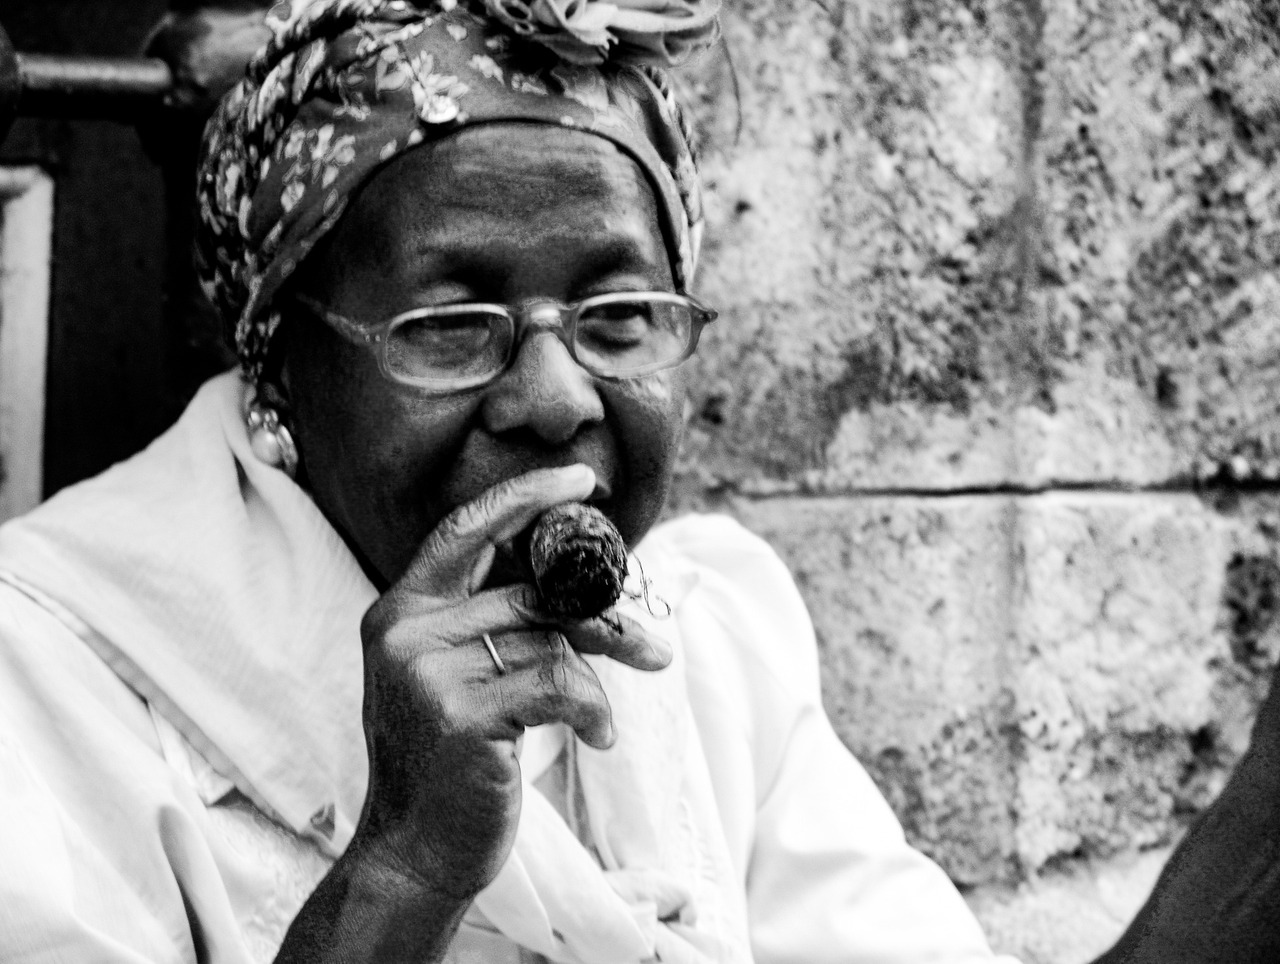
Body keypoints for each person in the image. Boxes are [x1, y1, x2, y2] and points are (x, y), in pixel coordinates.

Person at [0, 1, 1277, 962]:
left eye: (618, 318)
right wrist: (400, 870)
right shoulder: (55, 672)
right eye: (451, 327)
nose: (556, 397)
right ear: (278, 373)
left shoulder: (705, 643)